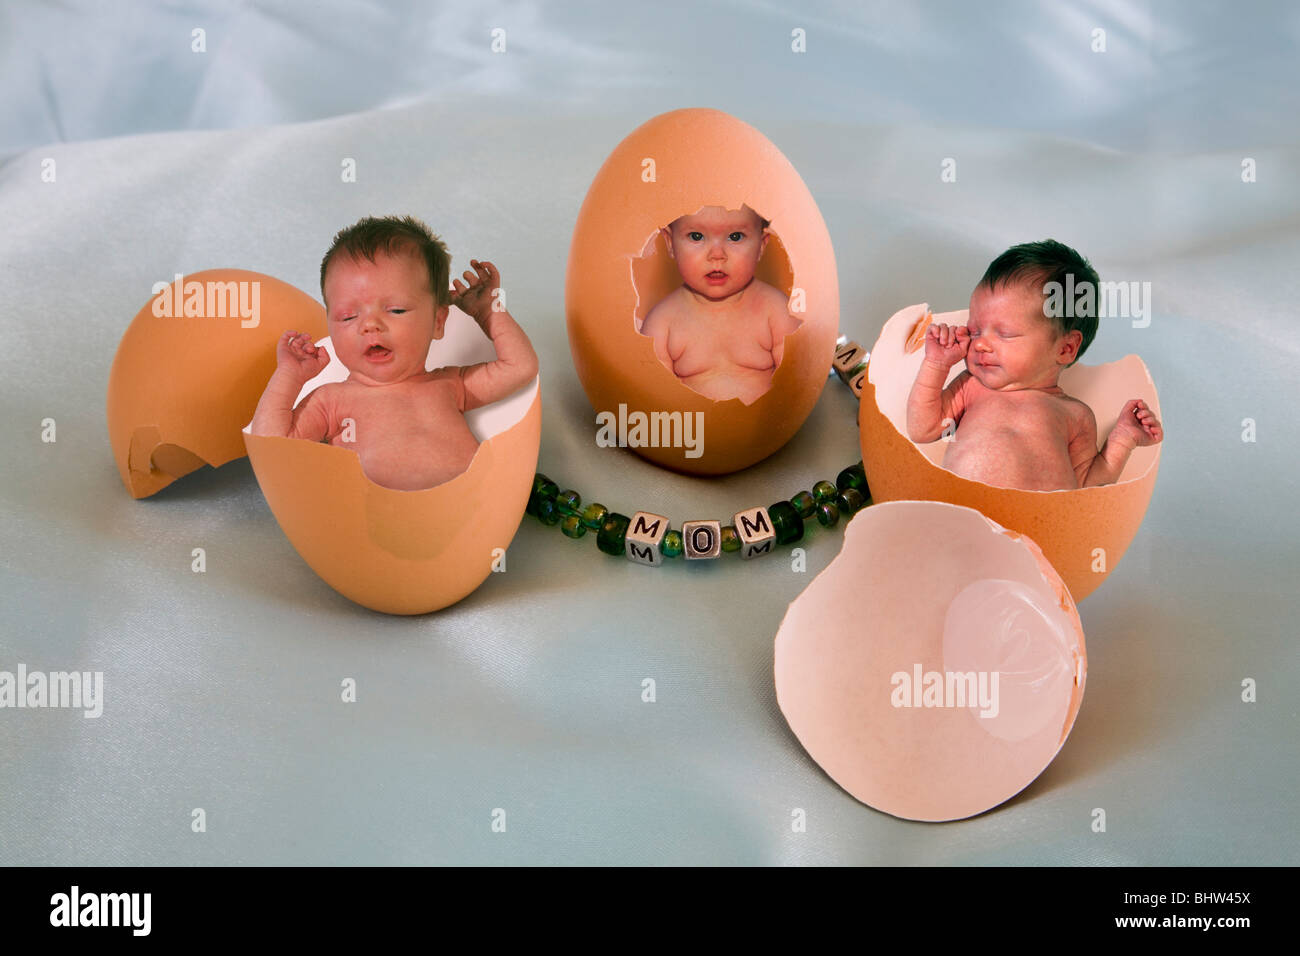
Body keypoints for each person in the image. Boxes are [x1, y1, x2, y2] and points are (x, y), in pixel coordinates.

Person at [249, 215, 538, 491]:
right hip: (372, 529)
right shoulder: (332, 401)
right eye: (348, 316)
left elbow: (520, 367)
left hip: (467, 522)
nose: (370, 325)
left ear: (438, 322)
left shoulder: (451, 385)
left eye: (396, 310)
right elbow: (272, 447)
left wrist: (490, 312)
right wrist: (289, 375)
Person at [906, 239, 1162, 491]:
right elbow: (923, 428)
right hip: (963, 518)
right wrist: (936, 364)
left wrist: (1122, 441)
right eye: (974, 331)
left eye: (1005, 334)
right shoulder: (971, 387)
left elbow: (1086, 486)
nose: (981, 344)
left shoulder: (1075, 415)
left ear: (1065, 348)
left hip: (1034, 527)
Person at [640, 204, 801, 405]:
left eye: (735, 237)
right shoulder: (662, 323)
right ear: (670, 243)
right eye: (696, 236)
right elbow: (650, 394)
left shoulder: (776, 311)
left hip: (765, 431)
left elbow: (799, 382)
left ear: (761, 245)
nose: (717, 254)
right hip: (691, 432)